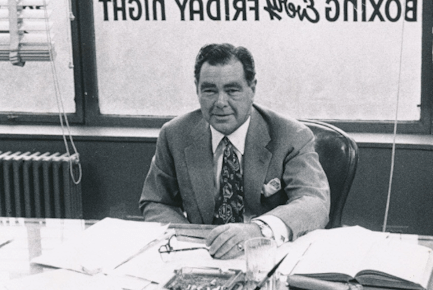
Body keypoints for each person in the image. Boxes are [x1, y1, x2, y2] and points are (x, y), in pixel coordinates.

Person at [140, 43, 330, 258]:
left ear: (252, 89)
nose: (221, 102)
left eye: (232, 90)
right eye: (210, 90)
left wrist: (259, 230)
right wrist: (192, 241)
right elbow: (155, 201)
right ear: (197, 89)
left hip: (266, 257)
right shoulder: (175, 134)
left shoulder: (291, 135)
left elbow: (314, 202)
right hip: (201, 256)